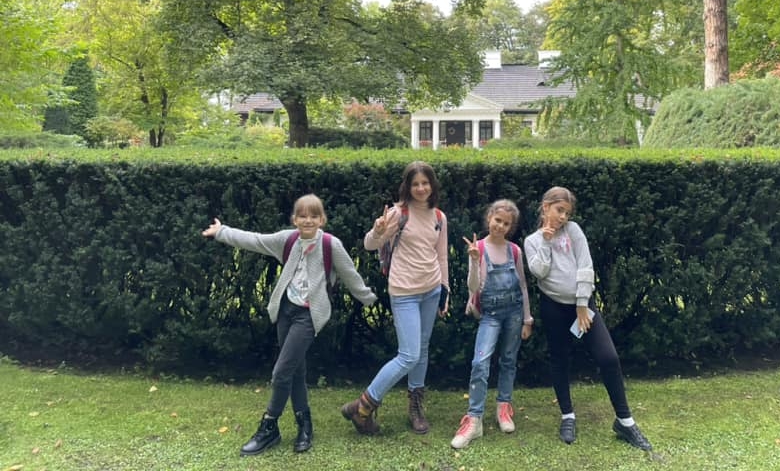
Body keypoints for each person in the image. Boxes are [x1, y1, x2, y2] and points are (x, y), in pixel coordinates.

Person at [202, 194, 377, 456]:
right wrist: (222, 232)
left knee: (281, 372)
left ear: (322, 219)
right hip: (286, 311)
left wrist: (370, 298)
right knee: (295, 370)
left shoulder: (330, 245)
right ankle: (305, 425)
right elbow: (255, 240)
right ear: (295, 219)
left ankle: (269, 425)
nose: (308, 220)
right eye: (302, 216)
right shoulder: (288, 240)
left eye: (314, 216)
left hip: (309, 316)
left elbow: (350, 275)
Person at [523, 186, 655, 452]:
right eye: (559, 210)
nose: (563, 217)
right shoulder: (532, 241)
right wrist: (546, 242)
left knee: (608, 357)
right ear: (546, 207)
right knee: (560, 360)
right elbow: (539, 273)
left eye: (567, 213)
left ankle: (625, 421)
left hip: (583, 307)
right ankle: (567, 416)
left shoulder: (573, 231)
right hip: (553, 308)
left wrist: (582, 305)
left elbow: (585, 266)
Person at [341, 161, 450, 435]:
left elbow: (441, 257)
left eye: (425, 183)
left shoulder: (439, 216)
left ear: (432, 185)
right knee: (409, 355)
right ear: (407, 186)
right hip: (404, 292)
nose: (421, 188)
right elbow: (369, 245)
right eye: (415, 184)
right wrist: (378, 230)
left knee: (421, 349)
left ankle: (415, 407)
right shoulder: (397, 214)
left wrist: (444, 290)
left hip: (431, 290)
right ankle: (363, 405)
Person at [451, 199, 534, 449]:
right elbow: (473, 287)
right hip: (491, 314)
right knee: (480, 362)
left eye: (506, 224)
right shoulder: (478, 248)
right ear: (489, 218)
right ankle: (474, 419)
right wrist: (474, 261)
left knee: (508, 360)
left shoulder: (515, 251)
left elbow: (522, 286)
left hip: (514, 313)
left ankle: (503, 407)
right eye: (497, 220)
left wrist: (527, 319)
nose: (500, 226)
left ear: (511, 227)